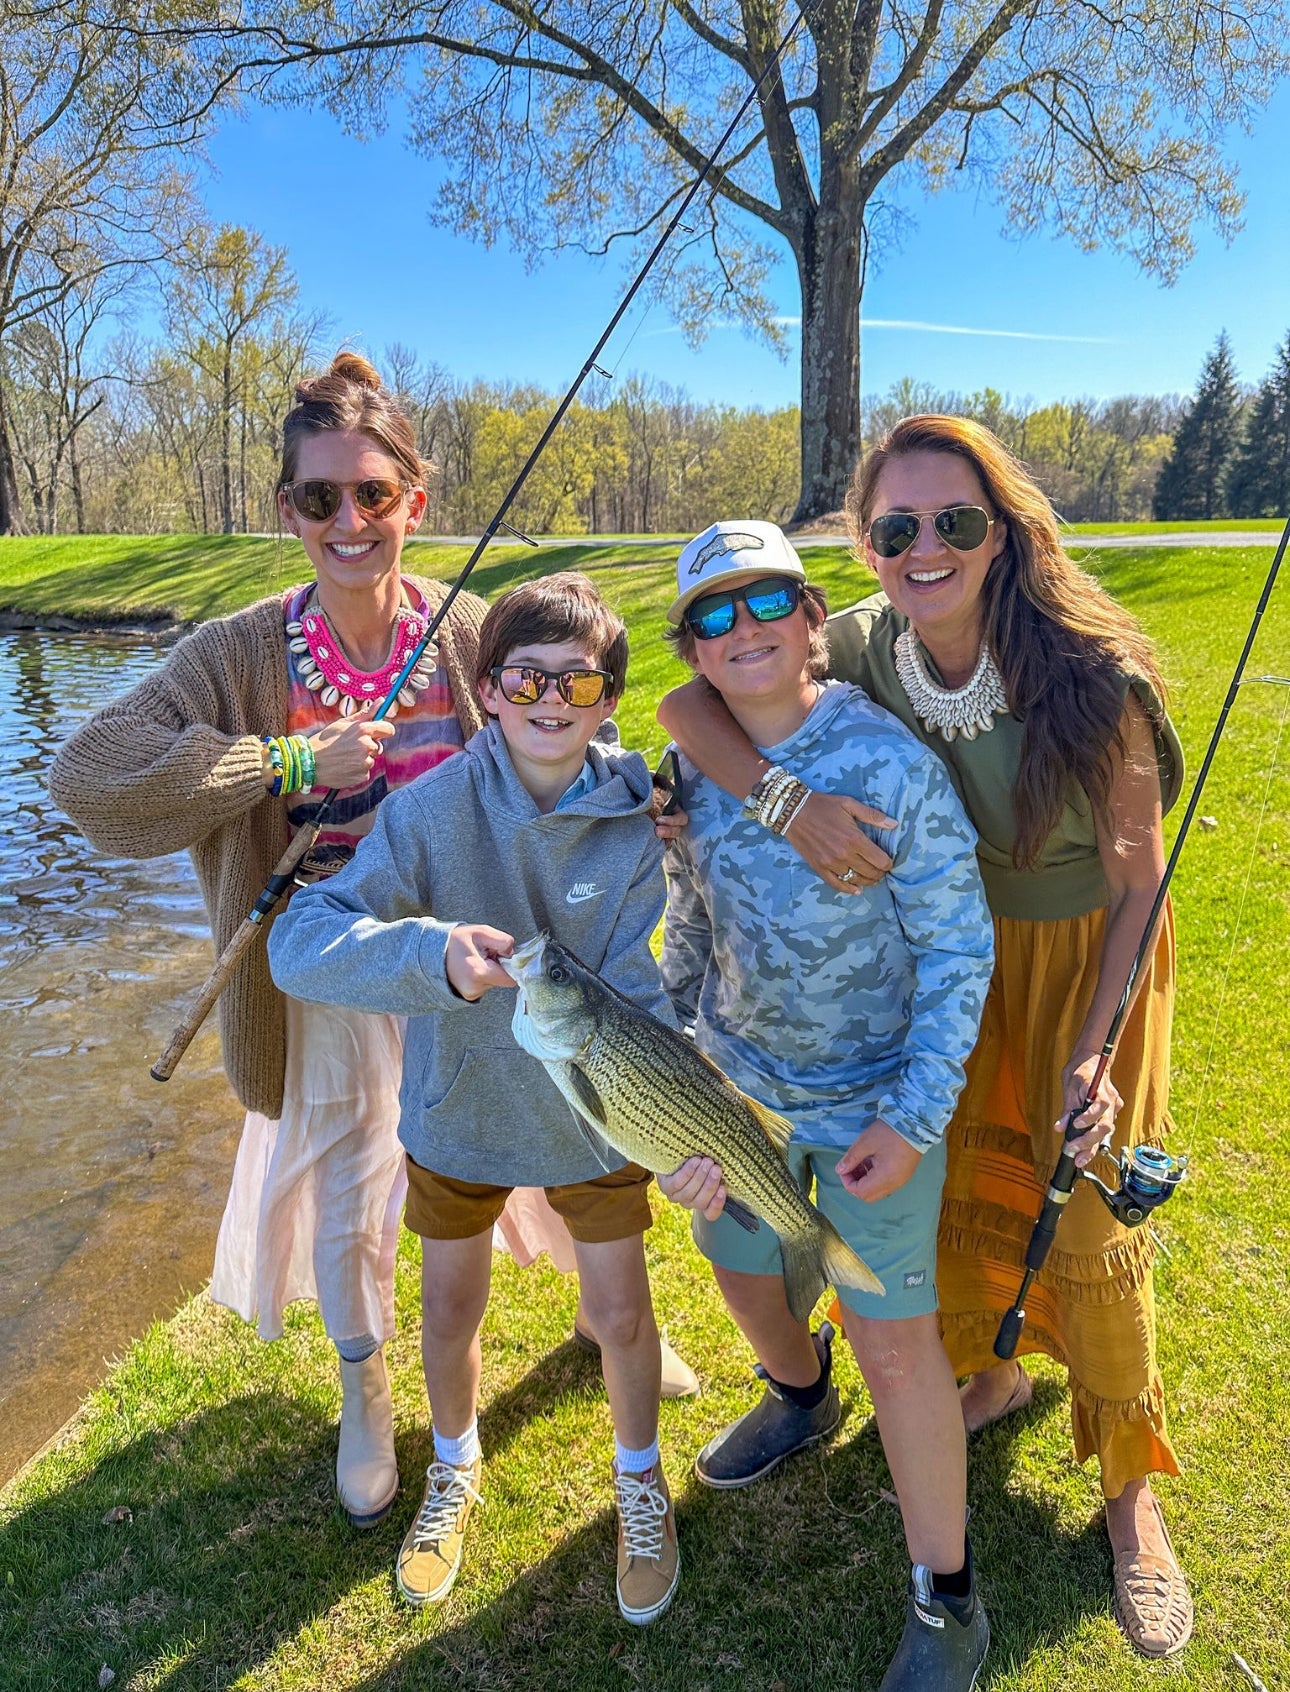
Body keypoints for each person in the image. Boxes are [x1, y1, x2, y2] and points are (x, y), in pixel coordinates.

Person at [44, 354, 683, 1539]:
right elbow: (85, 776)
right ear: (286, 508)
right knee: (351, 1185)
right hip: (327, 960)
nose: (350, 521)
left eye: (373, 495)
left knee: (556, 1119)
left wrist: (644, 799)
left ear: (415, 502)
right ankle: (364, 1385)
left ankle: (608, 1315)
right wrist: (284, 764)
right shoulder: (237, 651)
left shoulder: (471, 627)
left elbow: (565, 720)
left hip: (478, 941)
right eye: (320, 497)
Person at [658, 420, 1193, 1659]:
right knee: (959, 1204)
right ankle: (994, 1374)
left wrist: (1097, 1048)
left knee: (1087, 1213)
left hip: (1074, 967)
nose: (925, 548)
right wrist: (781, 804)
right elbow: (694, 698)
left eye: (955, 522)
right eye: (895, 529)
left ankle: (1131, 1503)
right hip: (941, 967)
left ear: (1003, 530)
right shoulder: (859, 639)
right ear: (867, 546)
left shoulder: (1095, 675)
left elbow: (1138, 887)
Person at [268, 572, 682, 1624]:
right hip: (455, 1111)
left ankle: (641, 1482)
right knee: (448, 1307)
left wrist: (684, 1123)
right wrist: (428, 956)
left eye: (578, 681)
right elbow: (297, 942)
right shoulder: (427, 810)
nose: (551, 699)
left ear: (609, 698)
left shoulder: (645, 812)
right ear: (487, 690)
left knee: (624, 1311)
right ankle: (454, 1467)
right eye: (525, 678)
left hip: (597, 1118)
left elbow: (644, 991)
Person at [656, 521, 995, 1691]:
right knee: (740, 1265)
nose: (742, 630)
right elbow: (689, 922)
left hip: (872, 1113)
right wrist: (683, 1069)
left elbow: (958, 949)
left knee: (897, 1352)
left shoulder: (890, 765)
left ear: (814, 622)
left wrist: (910, 1121)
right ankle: (798, 1395)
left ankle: (947, 1596)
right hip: (738, 1102)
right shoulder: (687, 768)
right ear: (691, 650)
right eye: (713, 614)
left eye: (765, 605)